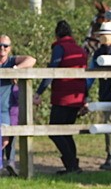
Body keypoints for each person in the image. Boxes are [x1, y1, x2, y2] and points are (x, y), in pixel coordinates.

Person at [34, 21, 88, 174]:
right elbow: (86, 77)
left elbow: (52, 71)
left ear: (57, 34)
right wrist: (85, 98)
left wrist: (39, 92)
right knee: (66, 132)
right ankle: (73, 165)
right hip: (78, 96)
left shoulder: (59, 48)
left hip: (63, 97)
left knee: (55, 131)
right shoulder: (80, 50)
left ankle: (71, 165)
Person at [85, 21, 111, 171]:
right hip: (106, 93)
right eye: (102, 36)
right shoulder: (99, 53)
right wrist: (85, 92)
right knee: (109, 124)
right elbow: (90, 75)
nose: (104, 38)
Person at [0, 34, 37, 175]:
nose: (2, 48)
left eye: (5, 46)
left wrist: (15, 69)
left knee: (5, 140)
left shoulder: (10, 61)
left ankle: (10, 164)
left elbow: (31, 60)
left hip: (6, 109)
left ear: (10, 48)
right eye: (0, 46)